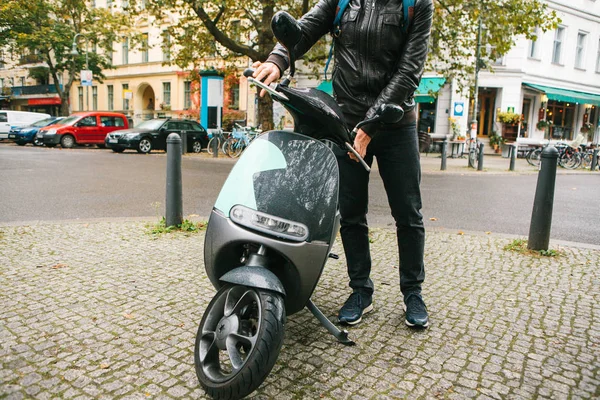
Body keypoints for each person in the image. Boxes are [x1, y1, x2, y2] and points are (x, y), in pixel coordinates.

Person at [252, 0, 433, 328]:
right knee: (350, 212)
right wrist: (278, 59)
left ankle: (413, 292)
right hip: (347, 119)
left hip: (396, 121)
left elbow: (409, 71)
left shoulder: (417, 4)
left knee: (408, 213)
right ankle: (361, 290)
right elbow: (303, 31)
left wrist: (371, 124)